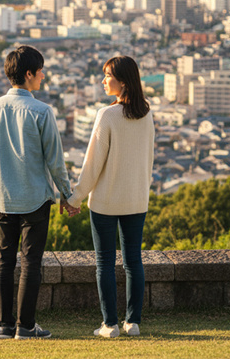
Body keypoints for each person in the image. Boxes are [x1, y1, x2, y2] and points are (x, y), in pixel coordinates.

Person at [0, 45, 78, 340]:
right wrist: (67, 194)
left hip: (3, 197)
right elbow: (55, 160)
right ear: (28, 74)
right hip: (35, 197)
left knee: (4, 261)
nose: (43, 76)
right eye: (40, 72)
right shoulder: (42, 111)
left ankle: (4, 326)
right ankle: (25, 326)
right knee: (31, 262)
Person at [66, 55, 155, 338]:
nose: (103, 81)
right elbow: (149, 159)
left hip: (106, 201)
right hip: (136, 198)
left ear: (123, 81)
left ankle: (110, 324)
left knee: (105, 262)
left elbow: (92, 164)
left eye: (108, 76)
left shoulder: (108, 115)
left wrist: (75, 198)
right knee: (133, 261)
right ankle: (133, 322)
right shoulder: (146, 113)